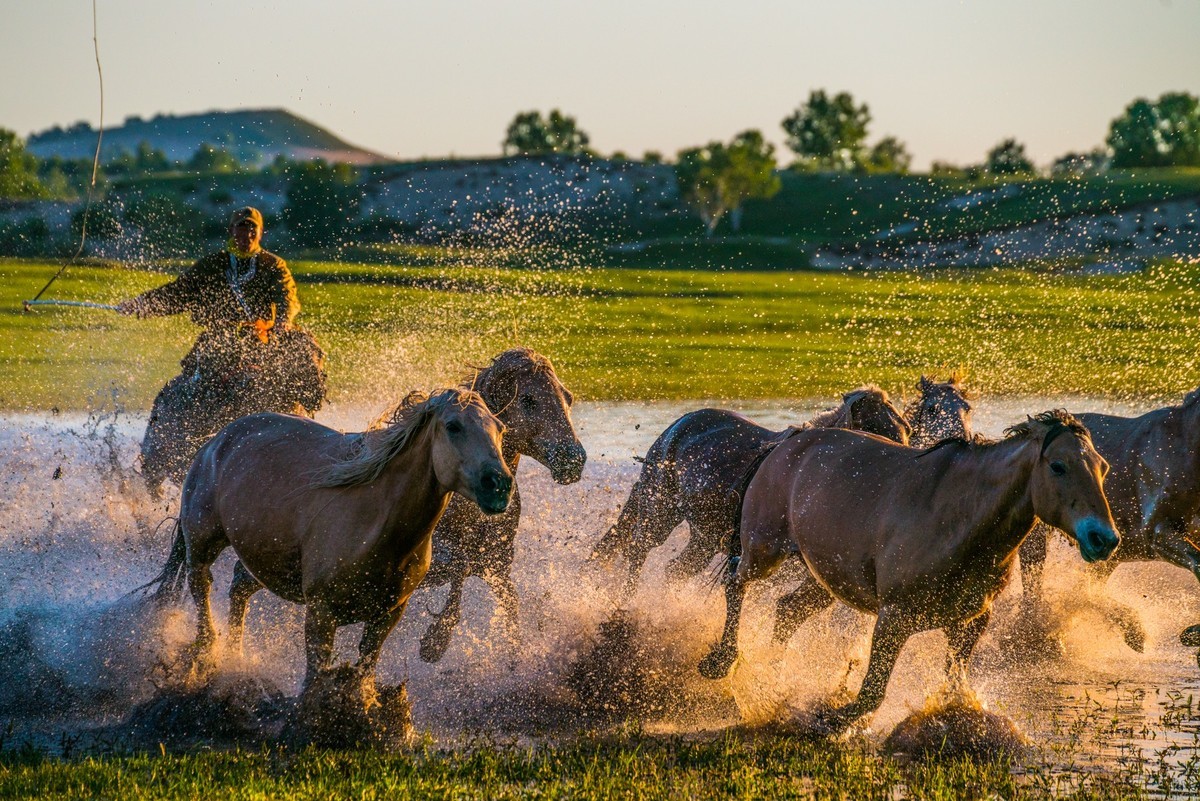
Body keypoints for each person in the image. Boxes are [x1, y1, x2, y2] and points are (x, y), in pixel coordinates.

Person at [120, 206, 326, 494]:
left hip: (260, 344)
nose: (246, 234)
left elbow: (287, 298)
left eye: (252, 229)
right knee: (186, 395)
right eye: (241, 228)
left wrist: (281, 324)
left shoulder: (273, 265)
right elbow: (178, 292)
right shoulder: (213, 265)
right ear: (231, 231)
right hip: (218, 345)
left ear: (260, 233)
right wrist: (141, 305)